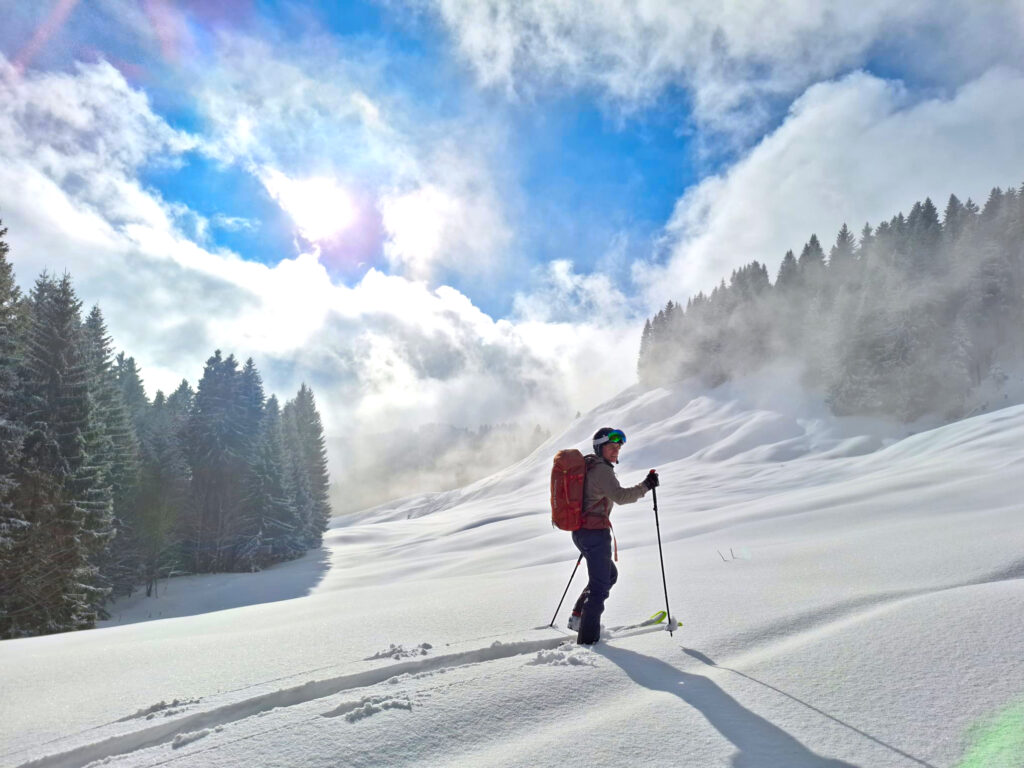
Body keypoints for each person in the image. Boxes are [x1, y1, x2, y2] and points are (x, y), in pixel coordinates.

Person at [569, 427, 658, 645]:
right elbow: (621, 497)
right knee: (600, 589)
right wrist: (646, 485)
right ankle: (588, 641)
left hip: (582, 532)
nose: (616, 451)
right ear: (600, 448)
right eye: (611, 447)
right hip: (595, 535)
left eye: (618, 447)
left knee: (608, 576)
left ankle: (579, 618)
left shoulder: (591, 465)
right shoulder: (601, 470)